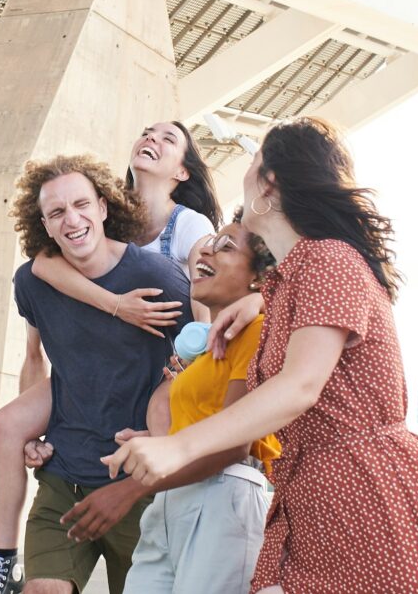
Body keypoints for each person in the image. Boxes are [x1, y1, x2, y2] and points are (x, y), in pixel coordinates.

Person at [105, 118, 418, 592]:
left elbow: (301, 386)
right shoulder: (289, 282)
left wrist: (178, 446)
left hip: (373, 500)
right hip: (317, 507)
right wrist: (257, 298)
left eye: (254, 161)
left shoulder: (329, 259)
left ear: (271, 183)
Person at [0, 122, 219, 594]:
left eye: (81, 205)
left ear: (104, 207)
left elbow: (205, 354)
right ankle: (1, 563)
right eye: (57, 212)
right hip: (64, 477)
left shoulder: (163, 275)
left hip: (139, 485)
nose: (71, 220)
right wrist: (37, 431)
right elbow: (34, 358)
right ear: (44, 225)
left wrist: (165, 431)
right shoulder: (34, 281)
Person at [118, 209, 279, 593]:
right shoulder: (207, 349)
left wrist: (130, 488)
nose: (205, 254)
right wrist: (150, 444)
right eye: (207, 244)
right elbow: (197, 425)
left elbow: (233, 441)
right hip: (174, 496)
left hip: (224, 495)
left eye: (225, 248)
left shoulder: (256, 330)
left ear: (258, 278)